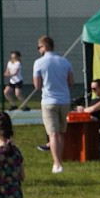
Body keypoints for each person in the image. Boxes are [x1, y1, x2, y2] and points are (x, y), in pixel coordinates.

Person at [32, 35, 74, 174]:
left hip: (49, 101)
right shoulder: (65, 61)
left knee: (53, 134)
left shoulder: (39, 63)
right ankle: (59, 160)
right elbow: (70, 82)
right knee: (61, 133)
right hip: (64, 100)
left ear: (44, 47)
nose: (39, 50)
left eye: (39, 47)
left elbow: (37, 85)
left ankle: (57, 163)